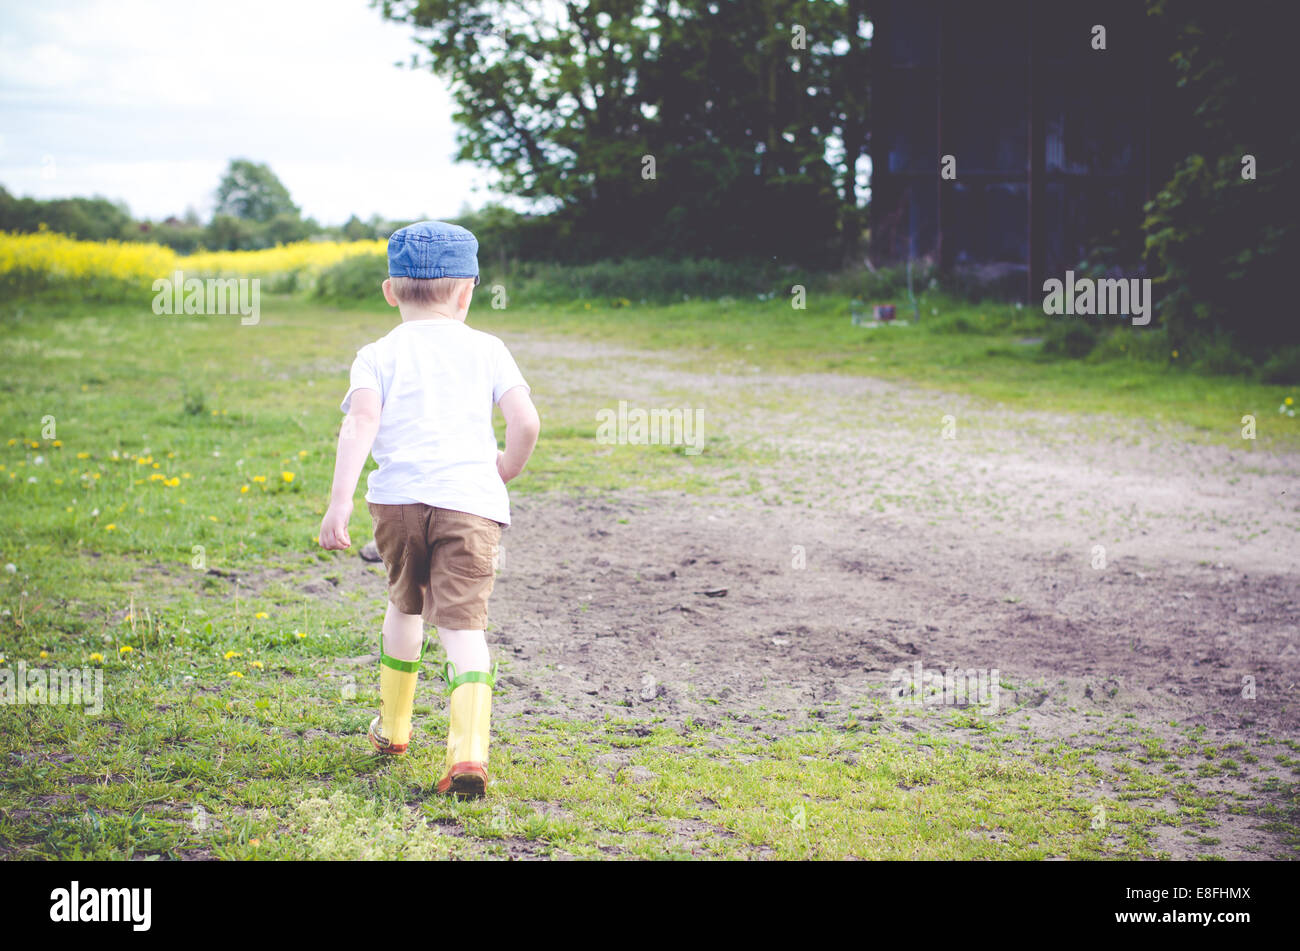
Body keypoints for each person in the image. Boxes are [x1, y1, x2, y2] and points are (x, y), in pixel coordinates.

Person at [318, 220, 540, 798]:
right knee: (464, 627)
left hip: (397, 505)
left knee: (405, 605)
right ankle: (467, 755)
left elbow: (360, 423)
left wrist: (339, 502)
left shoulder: (375, 354)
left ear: (390, 290)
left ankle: (393, 729)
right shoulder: (489, 349)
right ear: (467, 291)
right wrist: (507, 468)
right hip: (470, 505)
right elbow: (526, 422)